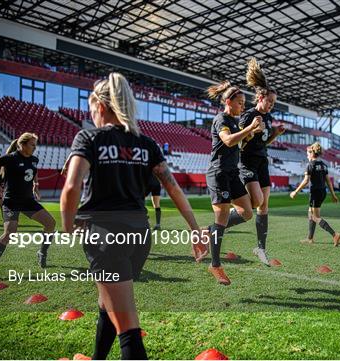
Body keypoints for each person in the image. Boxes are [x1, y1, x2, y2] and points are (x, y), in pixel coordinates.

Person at [60, 73, 206, 360]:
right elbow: (173, 189)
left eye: (92, 108)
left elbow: (71, 187)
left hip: (105, 236)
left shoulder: (89, 137)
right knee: (107, 304)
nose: (92, 114)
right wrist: (195, 229)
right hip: (140, 237)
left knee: (128, 327)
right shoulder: (147, 143)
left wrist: (67, 228)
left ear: (101, 106)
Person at [205, 80, 264, 285]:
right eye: (240, 102)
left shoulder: (234, 121)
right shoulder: (221, 119)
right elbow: (228, 140)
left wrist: (254, 131)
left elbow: (239, 141)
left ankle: (209, 231)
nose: (243, 106)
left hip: (232, 173)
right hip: (218, 174)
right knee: (221, 220)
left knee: (247, 212)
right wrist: (250, 128)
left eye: (244, 103)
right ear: (228, 101)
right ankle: (215, 265)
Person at [0, 133, 56, 281]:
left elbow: (33, 171)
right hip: (12, 201)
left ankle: (42, 253)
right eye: (32, 145)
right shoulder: (10, 158)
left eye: (36, 145)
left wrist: (36, 185)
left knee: (50, 223)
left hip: (28, 201)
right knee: (9, 234)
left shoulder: (34, 160)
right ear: (22, 145)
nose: (35, 148)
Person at [239, 58, 285, 266]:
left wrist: (274, 134)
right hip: (247, 162)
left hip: (262, 162)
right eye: (270, 102)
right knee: (256, 202)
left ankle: (261, 248)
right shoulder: (249, 115)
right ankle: (227, 218)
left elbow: (264, 141)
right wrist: (251, 131)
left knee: (264, 206)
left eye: (273, 104)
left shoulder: (268, 118)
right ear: (260, 97)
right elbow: (238, 141)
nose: (271, 106)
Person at [290, 142, 340, 246]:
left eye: (307, 153)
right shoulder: (323, 165)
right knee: (310, 213)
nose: (307, 155)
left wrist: (295, 191)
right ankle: (310, 238)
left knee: (315, 217)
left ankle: (334, 234)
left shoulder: (310, 165)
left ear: (312, 153)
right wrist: (333, 195)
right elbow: (328, 181)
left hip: (315, 193)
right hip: (322, 192)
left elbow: (305, 181)